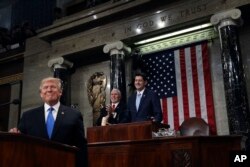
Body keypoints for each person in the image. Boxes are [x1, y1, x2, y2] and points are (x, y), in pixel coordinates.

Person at [9, 77, 88, 167]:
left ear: (60, 92)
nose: (49, 90)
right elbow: (21, 142)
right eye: (45, 87)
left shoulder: (74, 115)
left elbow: (81, 146)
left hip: (64, 163)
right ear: (41, 94)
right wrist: (14, 135)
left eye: (53, 87)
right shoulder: (28, 116)